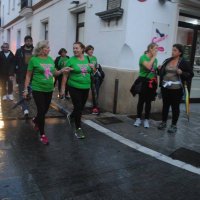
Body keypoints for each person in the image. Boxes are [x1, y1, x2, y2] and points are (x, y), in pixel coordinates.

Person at [23, 40, 70, 145]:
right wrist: (26, 89)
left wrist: (62, 70)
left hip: (49, 89)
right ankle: (43, 134)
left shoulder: (50, 59)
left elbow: (54, 73)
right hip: (37, 88)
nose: (49, 49)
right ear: (41, 49)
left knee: (44, 111)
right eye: (47, 47)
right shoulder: (34, 60)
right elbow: (28, 75)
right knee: (41, 110)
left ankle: (36, 120)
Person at [157, 44, 194, 133]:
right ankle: (163, 122)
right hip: (165, 88)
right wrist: (159, 69)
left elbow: (190, 74)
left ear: (180, 52)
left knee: (175, 107)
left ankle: (174, 125)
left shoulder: (183, 62)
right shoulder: (168, 60)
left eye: (175, 50)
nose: (172, 52)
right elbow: (161, 73)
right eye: (172, 50)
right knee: (165, 106)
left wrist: (182, 72)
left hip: (176, 90)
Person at [61, 42, 93, 139]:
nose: (75, 50)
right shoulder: (71, 60)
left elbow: (91, 72)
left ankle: (71, 116)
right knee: (78, 106)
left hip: (86, 86)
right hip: (74, 87)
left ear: (82, 49)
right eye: (73, 48)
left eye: (77, 48)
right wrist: (62, 89)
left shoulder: (87, 59)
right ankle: (78, 128)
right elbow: (65, 76)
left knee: (81, 107)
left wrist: (93, 68)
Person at [134, 43, 158, 128]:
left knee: (148, 102)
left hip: (151, 83)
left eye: (157, 49)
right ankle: (138, 118)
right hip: (144, 81)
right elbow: (148, 66)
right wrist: (154, 57)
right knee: (141, 101)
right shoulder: (143, 57)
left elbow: (153, 70)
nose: (156, 50)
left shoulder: (155, 60)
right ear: (150, 49)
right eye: (155, 48)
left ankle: (146, 119)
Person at [15, 35, 34, 117]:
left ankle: (26, 104)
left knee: (29, 92)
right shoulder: (19, 51)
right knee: (22, 92)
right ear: (25, 42)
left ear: (32, 42)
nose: (28, 42)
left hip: (33, 75)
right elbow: (15, 63)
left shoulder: (35, 51)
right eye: (27, 41)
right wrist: (15, 73)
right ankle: (25, 109)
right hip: (22, 75)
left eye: (30, 41)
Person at [85, 45, 103, 115]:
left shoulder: (95, 58)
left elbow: (96, 66)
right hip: (87, 76)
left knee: (95, 92)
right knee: (85, 92)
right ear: (87, 51)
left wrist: (96, 68)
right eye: (90, 49)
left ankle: (95, 107)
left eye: (92, 49)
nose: (91, 51)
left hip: (95, 76)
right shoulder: (85, 58)